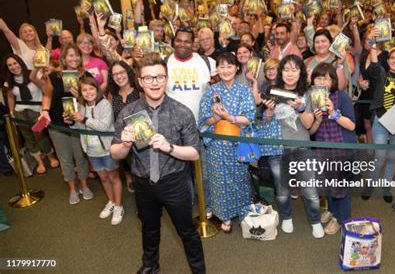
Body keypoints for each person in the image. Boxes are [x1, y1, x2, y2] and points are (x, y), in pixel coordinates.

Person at [110, 53, 205, 273]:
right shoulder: (128, 112)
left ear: (166, 79)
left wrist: (169, 147)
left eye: (160, 77)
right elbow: (115, 153)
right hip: (143, 185)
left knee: (187, 232)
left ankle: (199, 270)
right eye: (149, 78)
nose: (155, 82)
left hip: (175, 183)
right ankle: (150, 267)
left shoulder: (182, 112)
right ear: (140, 82)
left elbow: (194, 153)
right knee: (149, 230)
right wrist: (125, 144)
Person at [260, 54, 323, 238]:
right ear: (281, 72)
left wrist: (300, 108)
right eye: (286, 69)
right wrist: (270, 111)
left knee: (310, 190)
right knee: (282, 189)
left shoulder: (309, 93)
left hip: (302, 147)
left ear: (301, 72)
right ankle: (286, 216)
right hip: (278, 149)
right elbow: (266, 123)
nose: (290, 74)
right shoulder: (273, 90)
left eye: (294, 70)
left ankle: (315, 220)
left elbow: (309, 125)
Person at [198, 52, 255, 233]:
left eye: (229, 66)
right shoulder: (211, 92)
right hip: (217, 145)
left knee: (240, 179)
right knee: (219, 181)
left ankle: (243, 210)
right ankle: (225, 216)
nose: (225, 70)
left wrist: (228, 116)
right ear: (217, 69)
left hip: (238, 142)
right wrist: (216, 118)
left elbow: (249, 118)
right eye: (221, 66)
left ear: (236, 68)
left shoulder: (244, 90)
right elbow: (203, 121)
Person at [361, 28, 395, 202]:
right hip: (381, 120)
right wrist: (374, 43)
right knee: (380, 155)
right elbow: (375, 64)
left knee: (393, 156)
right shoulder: (383, 75)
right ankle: (371, 183)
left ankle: (387, 186)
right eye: (392, 58)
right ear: (388, 60)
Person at [37, 44, 93, 205]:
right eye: (70, 55)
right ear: (63, 58)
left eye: (76, 55)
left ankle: (84, 185)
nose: (74, 58)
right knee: (65, 158)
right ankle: (72, 189)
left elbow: (92, 100)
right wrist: (45, 110)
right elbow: (47, 96)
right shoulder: (55, 76)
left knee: (80, 156)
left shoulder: (86, 76)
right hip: (57, 123)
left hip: (78, 123)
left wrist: (80, 96)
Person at [65, 75, 124, 225]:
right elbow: (79, 127)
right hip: (91, 150)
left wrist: (83, 119)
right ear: (80, 92)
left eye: (91, 88)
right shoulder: (81, 106)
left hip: (107, 149)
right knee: (103, 178)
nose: (88, 92)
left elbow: (104, 126)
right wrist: (72, 121)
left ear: (97, 89)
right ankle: (111, 202)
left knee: (113, 177)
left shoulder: (105, 104)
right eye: (84, 90)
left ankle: (118, 206)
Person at [308, 62, 356, 235]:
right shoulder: (311, 99)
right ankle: (332, 210)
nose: (322, 82)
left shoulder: (342, 97)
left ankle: (341, 219)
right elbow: (311, 131)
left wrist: (334, 113)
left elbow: (351, 126)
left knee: (341, 187)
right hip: (322, 147)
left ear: (333, 81)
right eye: (319, 78)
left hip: (342, 148)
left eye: (326, 78)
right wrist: (318, 119)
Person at [3, 54, 59, 174]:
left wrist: (45, 109)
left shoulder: (33, 74)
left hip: (37, 111)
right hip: (20, 113)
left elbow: (46, 90)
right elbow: (10, 97)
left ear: (20, 63)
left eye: (15, 63)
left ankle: (51, 157)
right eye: (10, 65)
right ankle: (40, 163)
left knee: (41, 136)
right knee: (28, 138)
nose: (13, 67)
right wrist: (12, 112)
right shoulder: (9, 81)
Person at [166, 27, 215, 121]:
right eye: (178, 41)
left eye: (187, 41)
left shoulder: (207, 62)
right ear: (173, 42)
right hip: (172, 124)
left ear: (193, 44)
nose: (182, 44)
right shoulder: (164, 62)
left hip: (200, 125)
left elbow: (223, 83)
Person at [107, 61, 140, 193]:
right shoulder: (112, 95)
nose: (119, 76)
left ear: (128, 72)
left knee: (141, 170)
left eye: (121, 72)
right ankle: (129, 179)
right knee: (128, 164)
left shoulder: (139, 91)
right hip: (123, 139)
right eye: (115, 74)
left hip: (140, 138)